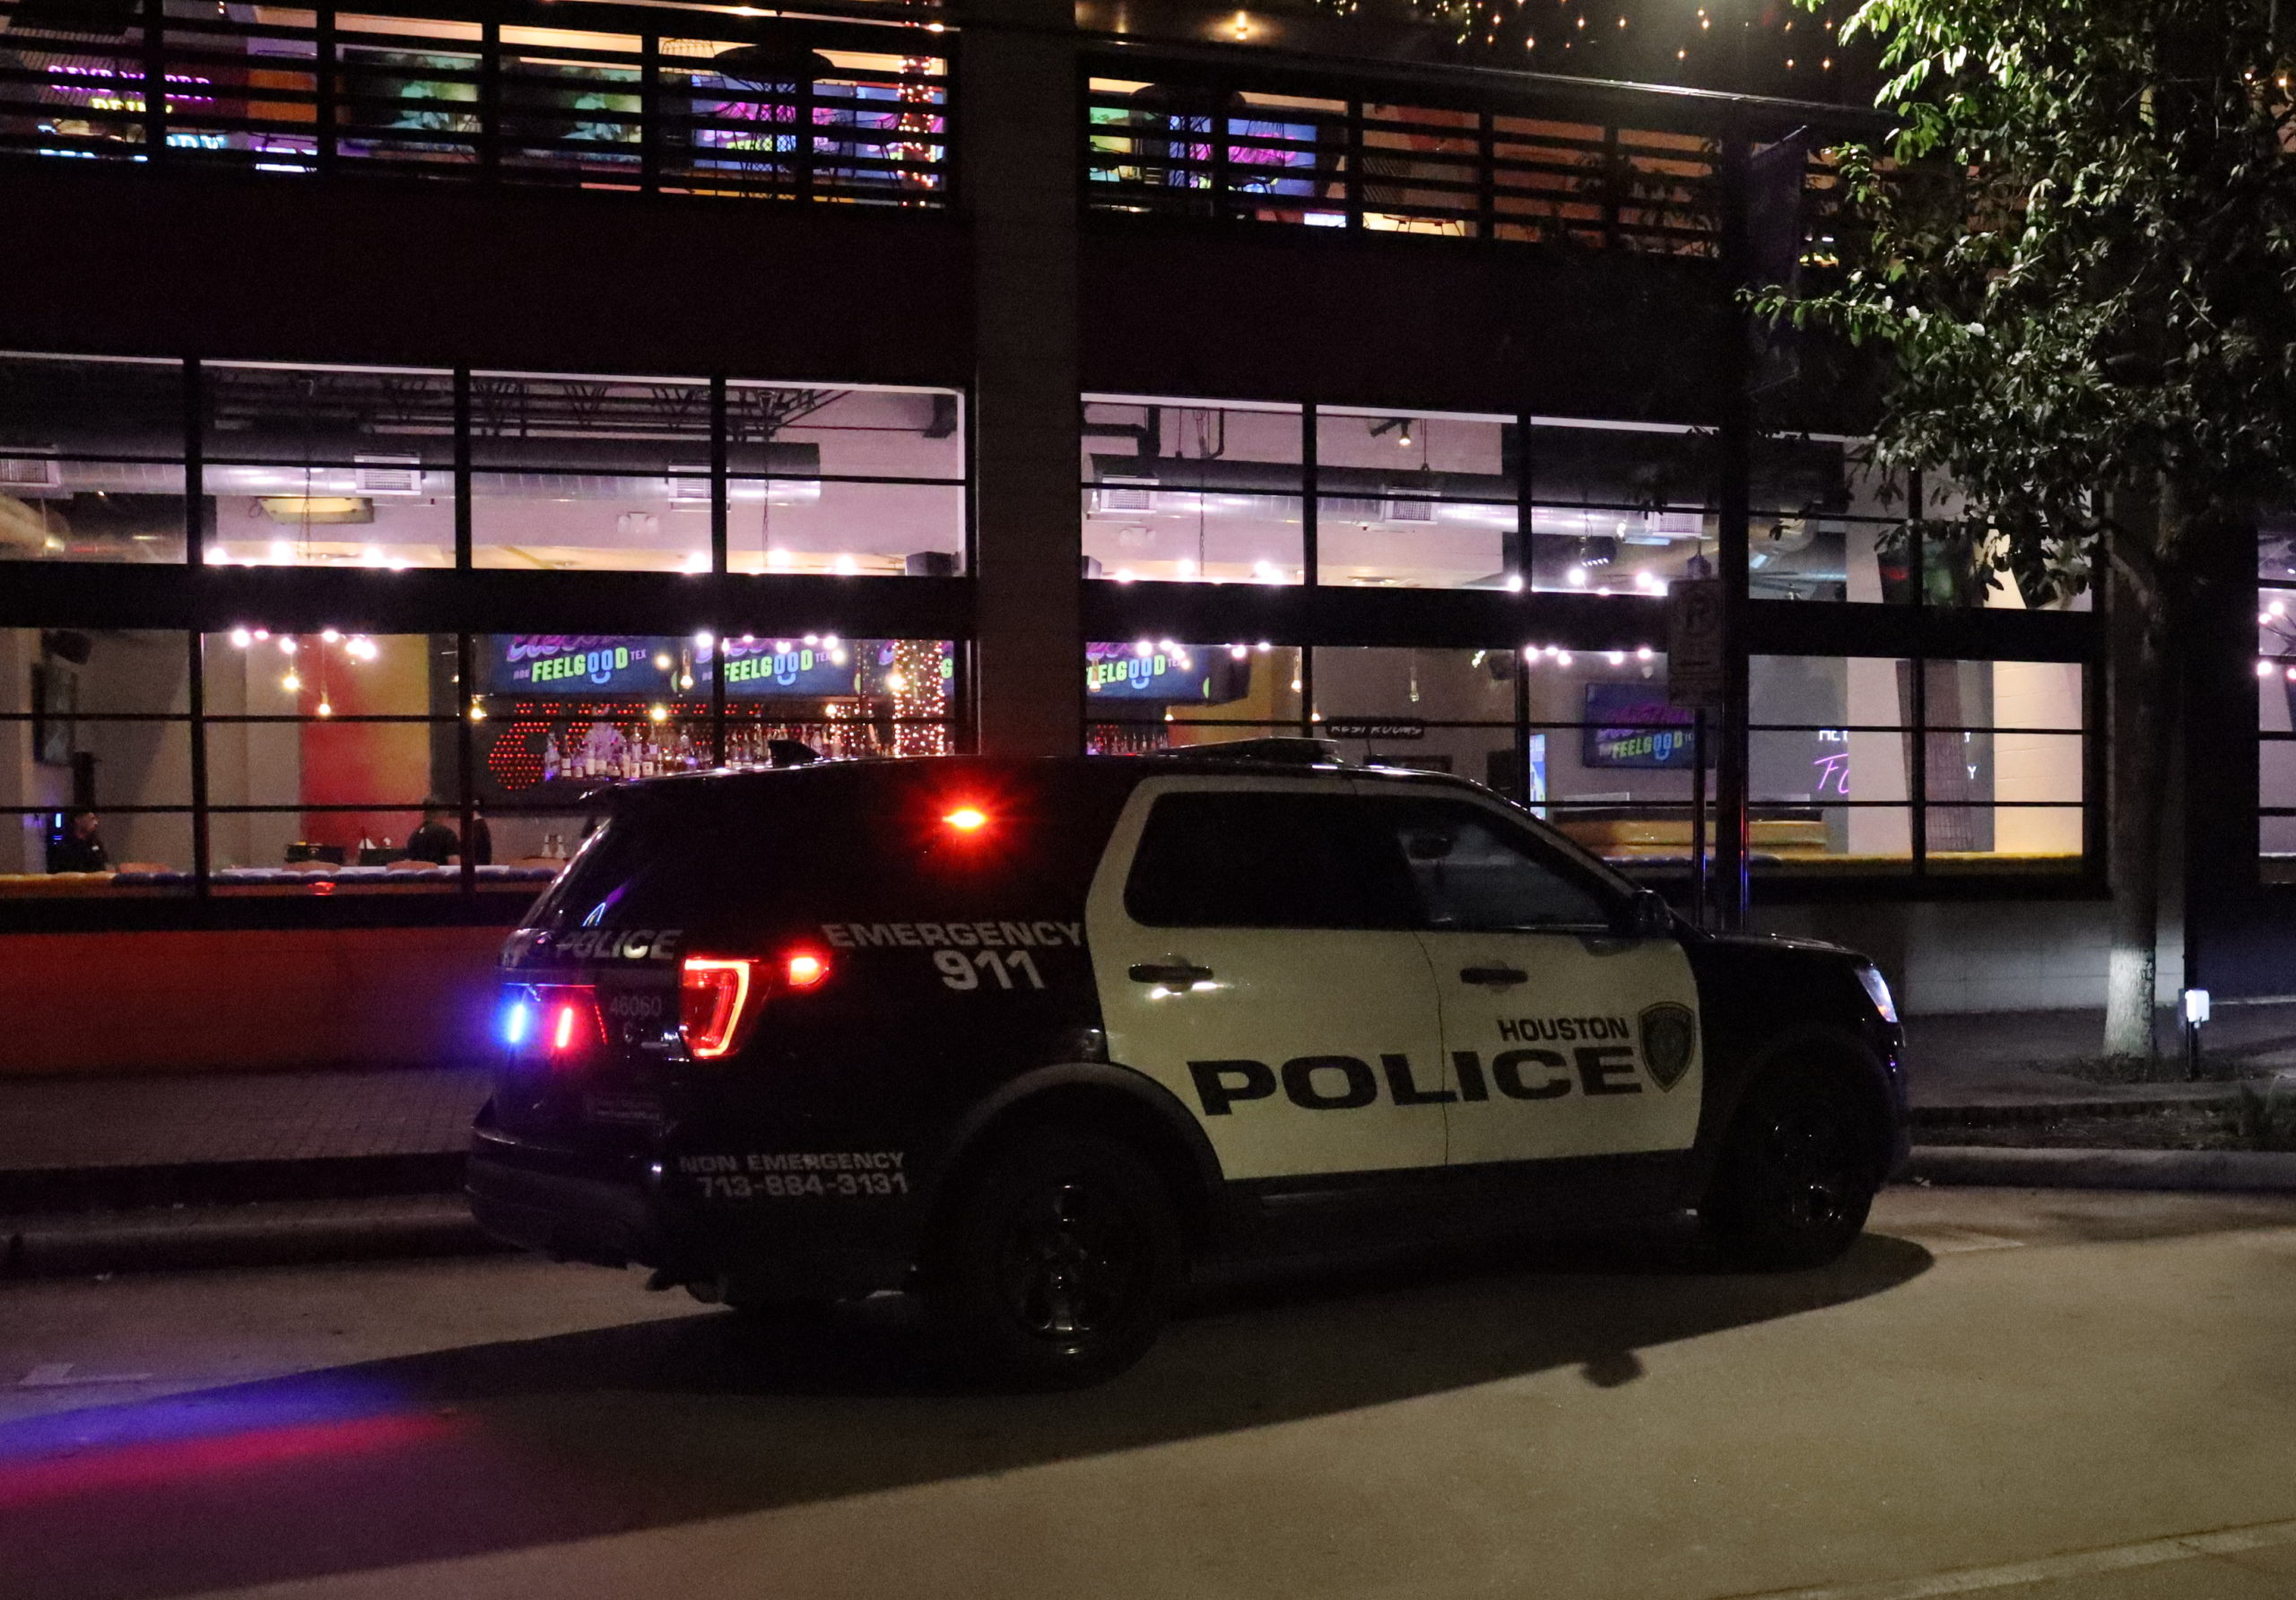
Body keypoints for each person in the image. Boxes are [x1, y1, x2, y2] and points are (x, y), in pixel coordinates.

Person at [46, 808, 109, 873]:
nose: (96, 823)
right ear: (78, 820)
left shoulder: (95, 844)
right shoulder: (64, 846)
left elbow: (104, 864)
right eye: (92, 819)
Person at [404, 799, 461, 865]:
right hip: (440, 875)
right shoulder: (447, 834)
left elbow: (408, 863)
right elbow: (455, 865)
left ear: (424, 814)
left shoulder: (414, 835)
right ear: (444, 813)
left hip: (419, 876)